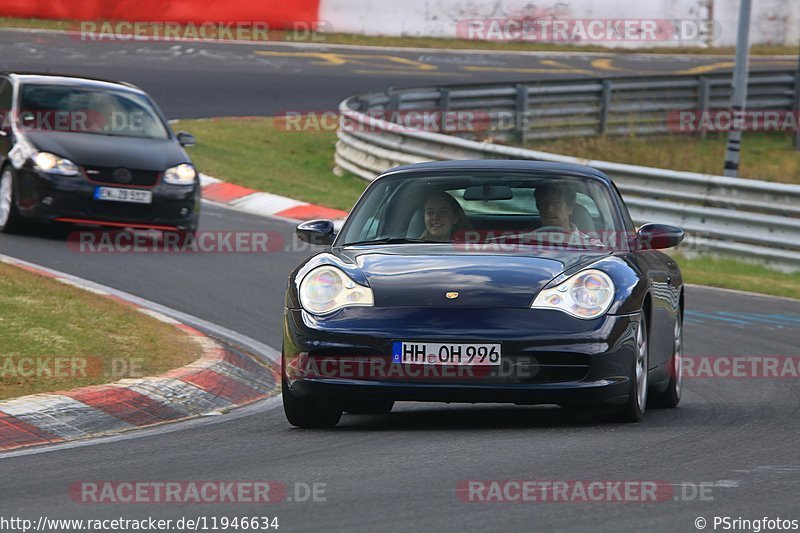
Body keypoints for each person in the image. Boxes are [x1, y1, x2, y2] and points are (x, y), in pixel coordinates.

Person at [533, 183, 604, 248]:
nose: (549, 209)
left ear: (569, 208)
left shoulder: (591, 245)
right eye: (543, 204)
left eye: (556, 203)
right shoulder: (526, 241)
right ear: (538, 207)